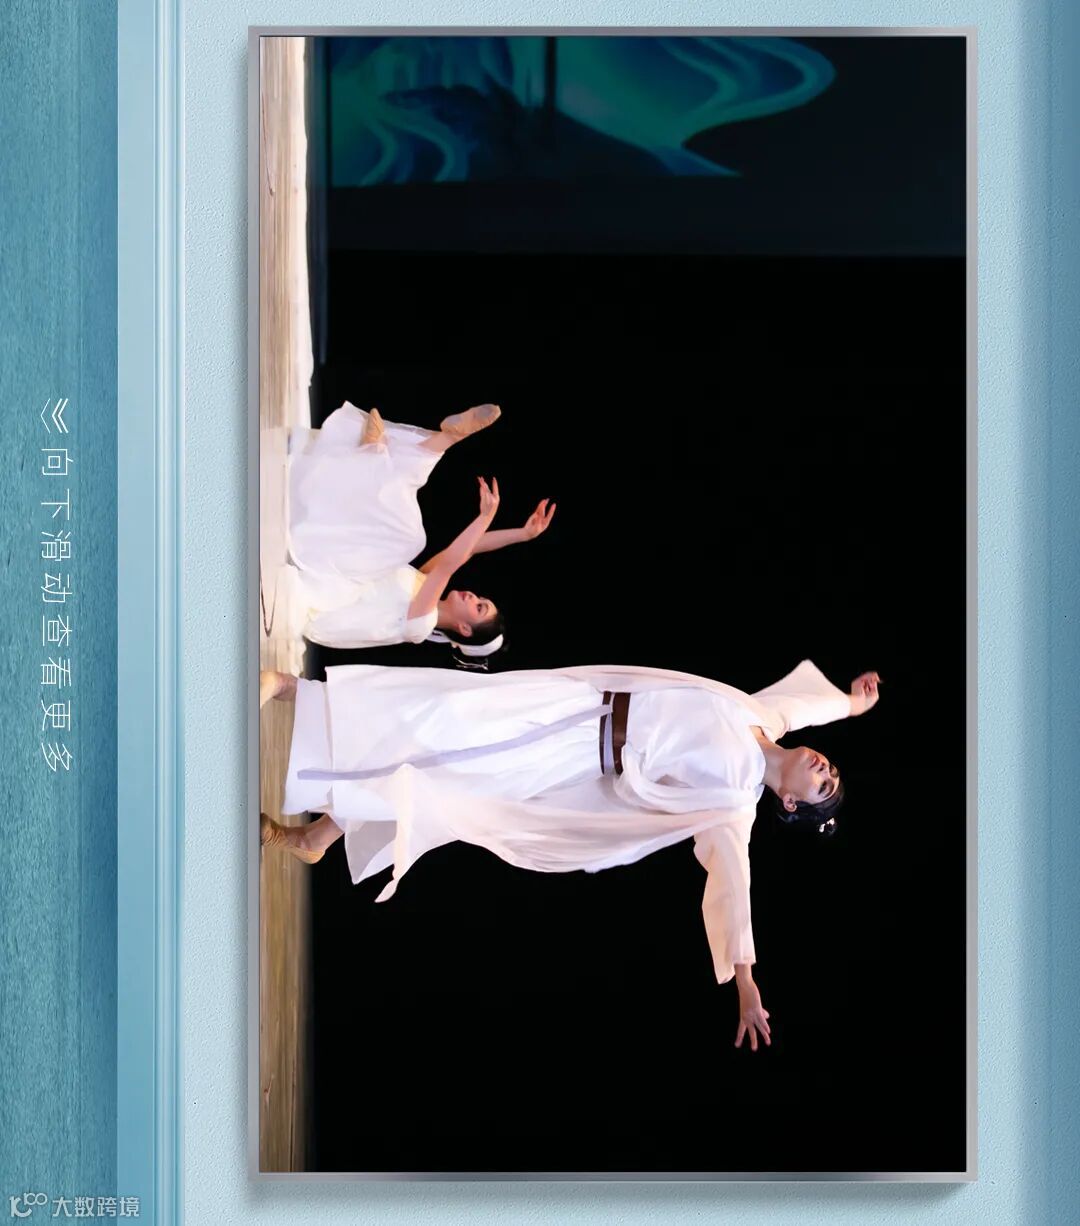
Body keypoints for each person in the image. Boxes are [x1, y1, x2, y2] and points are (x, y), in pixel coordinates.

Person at [259, 658, 882, 1051]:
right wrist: (852, 705)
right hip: (573, 701)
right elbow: (809, 703)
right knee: (445, 715)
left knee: (444, 743)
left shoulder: (733, 805)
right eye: (831, 770)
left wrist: (745, 981)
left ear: (791, 804)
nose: (824, 771)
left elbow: (732, 886)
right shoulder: (763, 715)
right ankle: (317, 838)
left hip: (570, 751)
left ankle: (293, 693)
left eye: (822, 788)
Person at [280, 400, 556, 666]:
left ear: (465, 628)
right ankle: (430, 443)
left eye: (479, 607)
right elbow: (469, 549)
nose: (474, 596)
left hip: (327, 601)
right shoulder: (423, 584)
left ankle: (378, 457)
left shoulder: (421, 624)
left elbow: (450, 564)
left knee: (408, 539)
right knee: (395, 525)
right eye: (482, 599)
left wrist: (485, 517)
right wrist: (523, 534)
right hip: (340, 571)